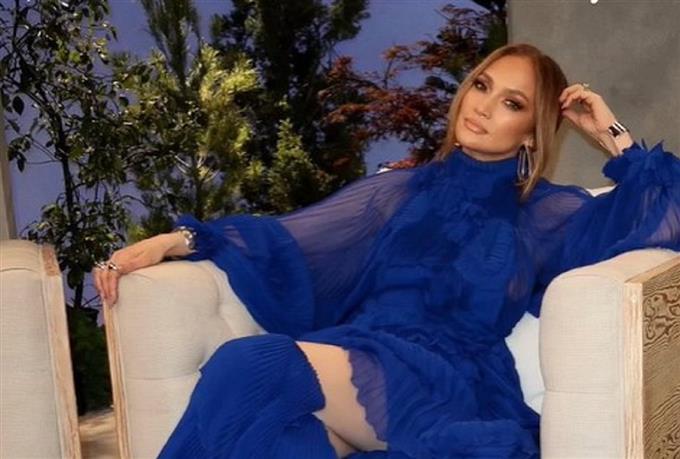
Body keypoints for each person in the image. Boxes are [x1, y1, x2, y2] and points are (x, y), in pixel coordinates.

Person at [92, 43, 680, 458]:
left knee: (250, 363)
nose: (482, 106)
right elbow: (288, 239)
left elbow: (665, 211)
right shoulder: (398, 191)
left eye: (512, 102)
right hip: (358, 352)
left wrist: (609, 133)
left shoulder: (543, 211)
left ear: (531, 132)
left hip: (446, 380)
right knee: (281, 441)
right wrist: (178, 240)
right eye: (482, 86)